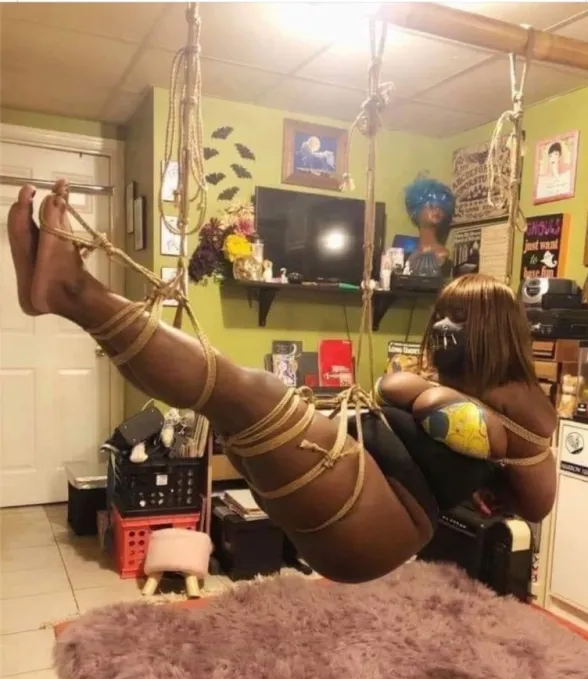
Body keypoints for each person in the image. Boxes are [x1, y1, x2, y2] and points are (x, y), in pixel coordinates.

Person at [7, 181, 556, 585]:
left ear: (493, 331)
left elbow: (538, 501)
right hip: (360, 489)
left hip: (380, 518)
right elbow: (400, 391)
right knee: (227, 407)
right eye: (442, 314)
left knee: (255, 393)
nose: (442, 328)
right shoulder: (456, 382)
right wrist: (436, 404)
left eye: (459, 320)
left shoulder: (521, 402)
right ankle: (64, 299)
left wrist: (466, 426)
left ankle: (74, 293)